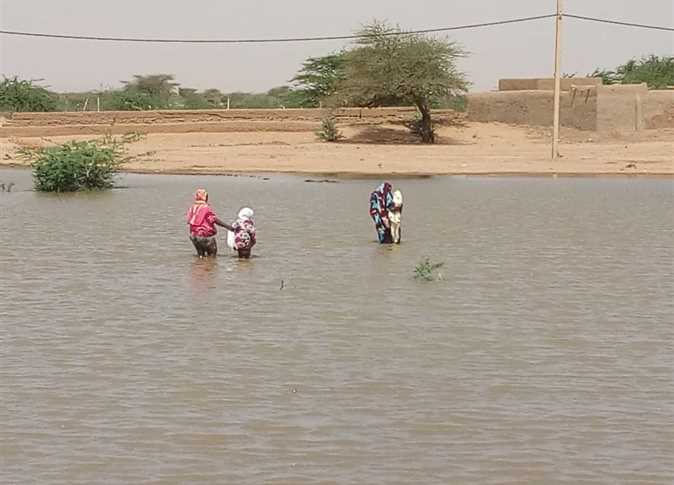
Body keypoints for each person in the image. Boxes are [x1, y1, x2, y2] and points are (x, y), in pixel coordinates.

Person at [186, 188, 234, 257]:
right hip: (205, 236)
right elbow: (213, 219)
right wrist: (228, 227)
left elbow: (189, 220)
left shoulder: (192, 208)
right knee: (212, 257)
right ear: (204, 197)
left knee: (200, 256)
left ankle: (199, 267)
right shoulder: (205, 208)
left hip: (194, 236)